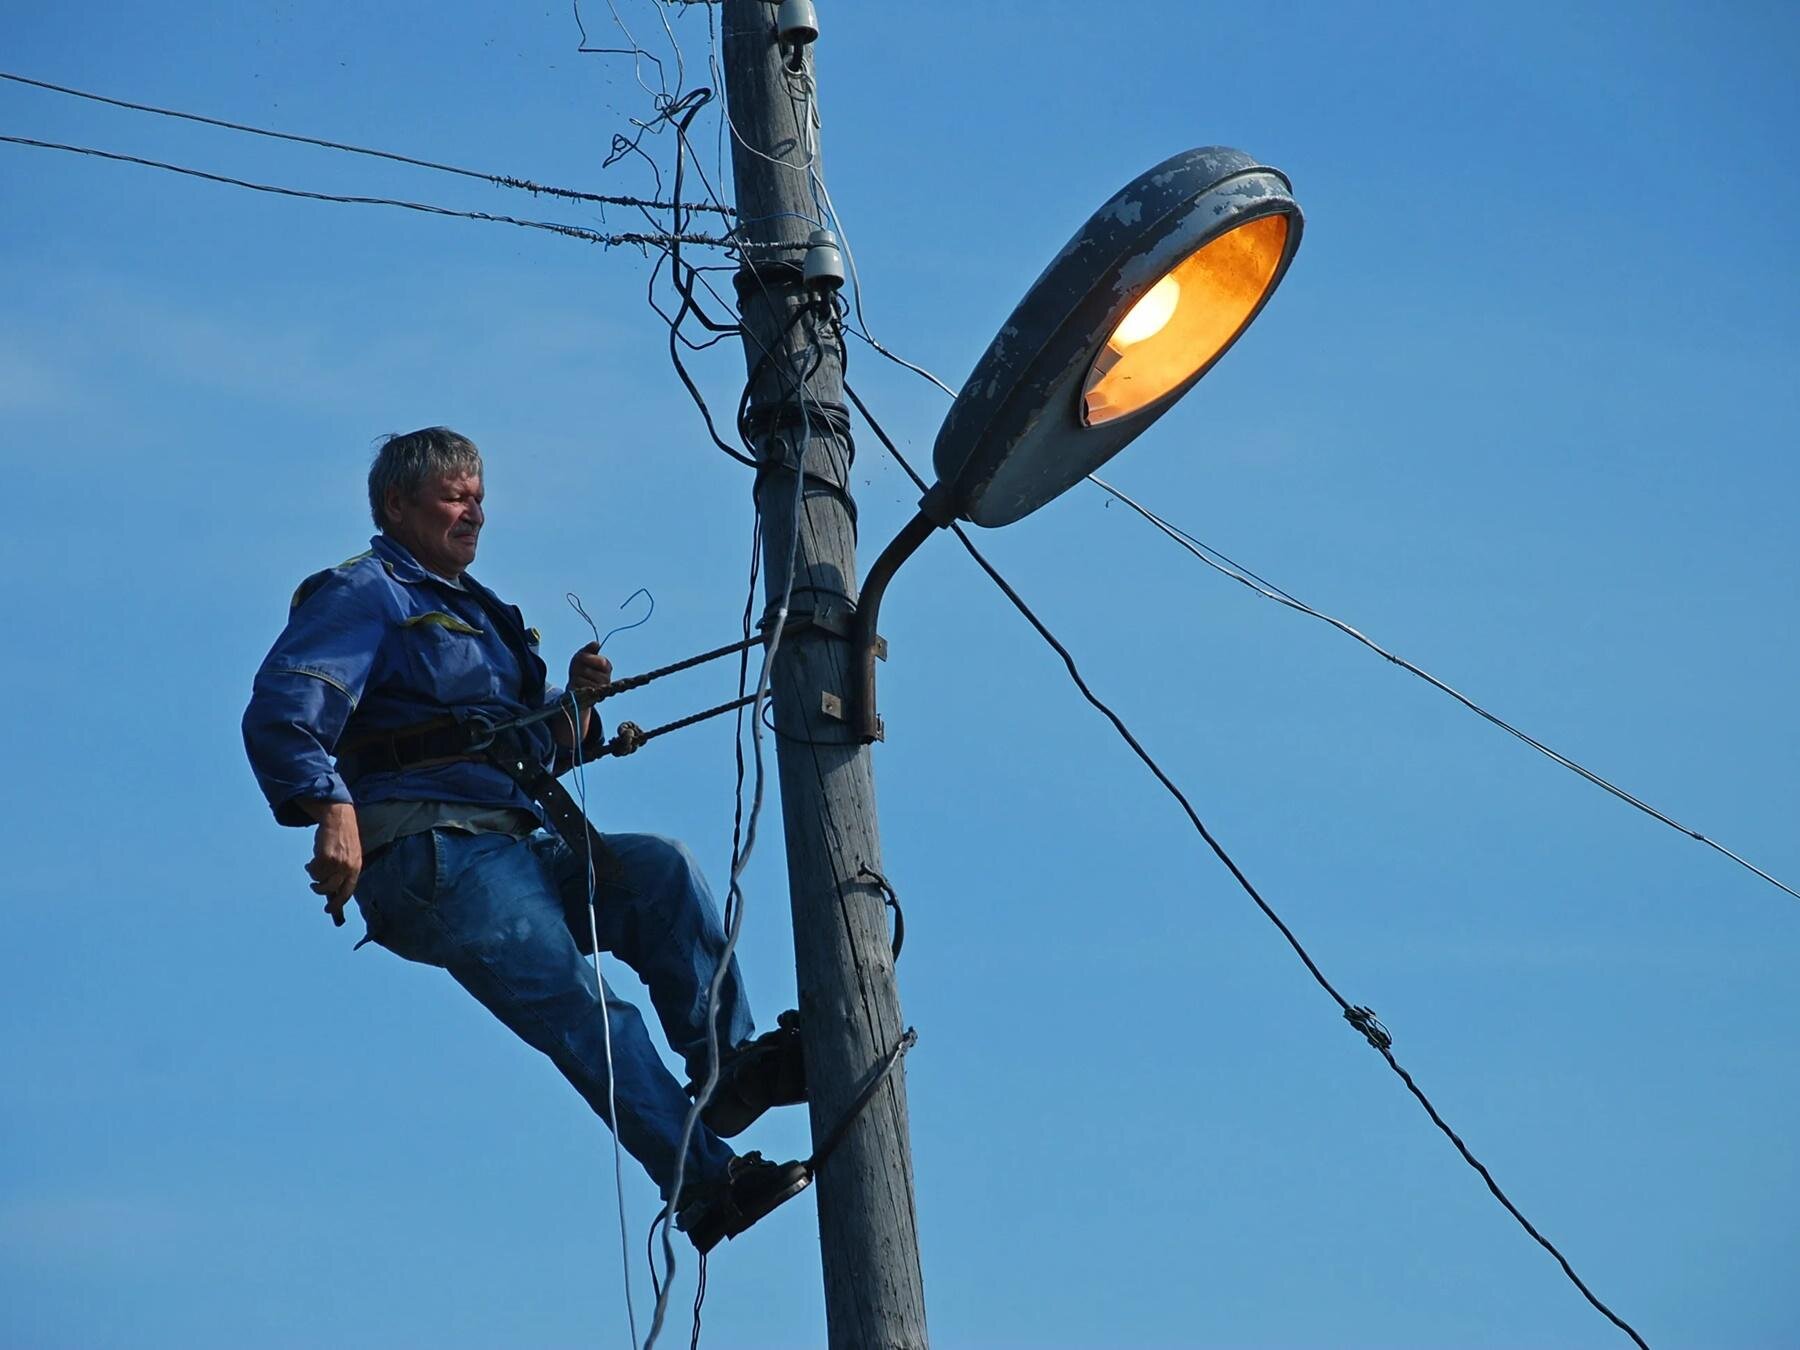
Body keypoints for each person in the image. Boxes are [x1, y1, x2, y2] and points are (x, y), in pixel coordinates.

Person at [241, 426, 807, 1252]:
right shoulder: (367, 594)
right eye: (452, 494)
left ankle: (730, 1070)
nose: (473, 509)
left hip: (514, 843)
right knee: (589, 1008)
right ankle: (706, 1185)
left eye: (478, 493)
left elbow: (533, 748)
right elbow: (286, 709)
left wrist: (574, 707)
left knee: (663, 873)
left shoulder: (483, 613)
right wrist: (329, 807)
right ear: (397, 504)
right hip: (435, 854)